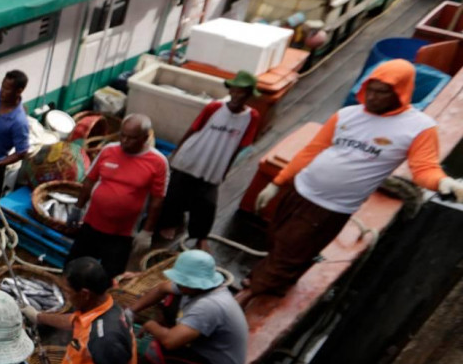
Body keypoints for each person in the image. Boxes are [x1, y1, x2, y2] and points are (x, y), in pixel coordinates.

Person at [239, 59, 462, 306]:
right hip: (299, 188)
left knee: (290, 248)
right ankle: (281, 281)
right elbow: (311, 151)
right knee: (279, 239)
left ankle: (248, 293)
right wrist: (277, 183)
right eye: (371, 89)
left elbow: (424, 169)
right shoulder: (346, 115)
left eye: (382, 92)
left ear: (400, 93)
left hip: (330, 206)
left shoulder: (419, 128)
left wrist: (442, 183)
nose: (373, 97)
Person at [159, 71, 262, 250]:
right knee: (176, 193)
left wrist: (225, 170)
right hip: (193, 156)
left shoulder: (252, 117)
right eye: (234, 91)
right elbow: (193, 129)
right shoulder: (214, 108)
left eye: (241, 92)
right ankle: (171, 223)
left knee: (207, 202)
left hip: (215, 162)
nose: (236, 96)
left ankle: (200, 236)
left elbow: (241, 146)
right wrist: (177, 151)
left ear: (249, 95)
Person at [128, 250, 247, 364]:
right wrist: (131, 311)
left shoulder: (208, 306)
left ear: (196, 284)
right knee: (171, 299)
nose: (178, 284)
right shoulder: (197, 289)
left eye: (182, 281)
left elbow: (170, 342)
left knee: (155, 349)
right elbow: (161, 288)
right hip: (205, 349)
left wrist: (150, 325)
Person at [68, 114, 167, 277]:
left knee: (109, 277)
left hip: (122, 234)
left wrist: (147, 232)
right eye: (123, 135)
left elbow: (157, 200)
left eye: (132, 138)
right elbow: (89, 181)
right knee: (74, 268)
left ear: (144, 138)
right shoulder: (108, 150)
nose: (125, 141)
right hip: (91, 224)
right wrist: (77, 209)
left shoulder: (158, 162)